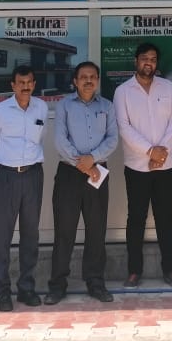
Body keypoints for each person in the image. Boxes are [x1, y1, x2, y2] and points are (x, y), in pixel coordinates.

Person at [113, 42, 172, 289]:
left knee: (165, 217)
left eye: (153, 59)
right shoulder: (123, 91)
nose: (149, 63)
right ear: (136, 61)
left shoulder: (168, 87)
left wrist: (161, 151)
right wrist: (149, 151)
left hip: (166, 164)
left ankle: (171, 269)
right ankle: (134, 271)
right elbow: (124, 127)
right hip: (137, 166)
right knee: (136, 218)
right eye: (145, 58)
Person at [46, 61, 119, 304]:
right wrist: (83, 164)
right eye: (83, 77)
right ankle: (57, 285)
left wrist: (93, 161)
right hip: (69, 173)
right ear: (75, 81)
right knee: (64, 231)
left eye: (92, 77)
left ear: (97, 80)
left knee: (96, 230)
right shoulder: (65, 105)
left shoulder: (107, 106)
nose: (88, 81)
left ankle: (95, 282)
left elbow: (112, 139)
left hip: (98, 172)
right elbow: (59, 139)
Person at [0, 64, 49, 311]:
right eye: (21, 82)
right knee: (3, 237)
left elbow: (40, 140)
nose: (25, 87)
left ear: (34, 84)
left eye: (29, 82)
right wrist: (9, 166)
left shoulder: (41, 107)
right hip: (7, 179)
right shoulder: (0, 111)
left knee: (30, 235)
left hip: (33, 176)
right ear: (13, 85)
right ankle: (3, 292)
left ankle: (26, 288)